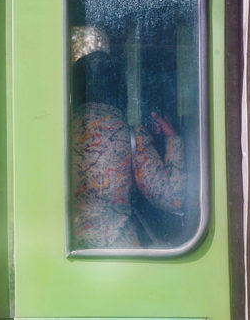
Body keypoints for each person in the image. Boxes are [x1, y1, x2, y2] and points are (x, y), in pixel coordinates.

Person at [70, 50, 186, 249]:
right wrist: (172, 139)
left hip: (66, 247)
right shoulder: (133, 137)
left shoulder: (59, 135)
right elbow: (173, 198)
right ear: (120, 90)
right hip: (121, 253)